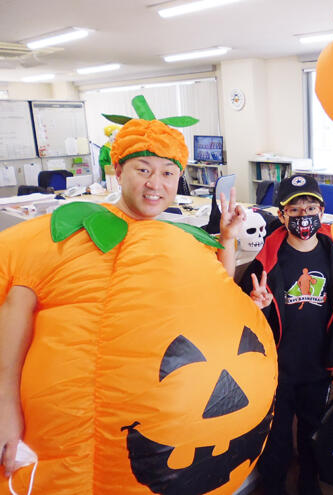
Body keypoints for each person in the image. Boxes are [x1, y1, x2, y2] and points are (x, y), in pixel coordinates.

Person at [0, 114, 247, 480]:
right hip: (73, 429)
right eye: (143, 169)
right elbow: (14, 318)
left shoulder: (179, 240)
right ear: (118, 169)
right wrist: (6, 407)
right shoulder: (62, 237)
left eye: (167, 172)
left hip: (154, 425)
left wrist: (227, 239)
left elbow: (214, 289)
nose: (156, 184)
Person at [240, 174, 333, 495]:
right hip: (276, 368)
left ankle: (309, 480)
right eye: (295, 209)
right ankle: (273, 484)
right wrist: (258, 306)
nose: (304, 215)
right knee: (275, 437)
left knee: (312, 429)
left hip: (318, 365)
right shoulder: (265, 262)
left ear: (322, 211)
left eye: (311, 207)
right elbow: (241, 313)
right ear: (281, 215)